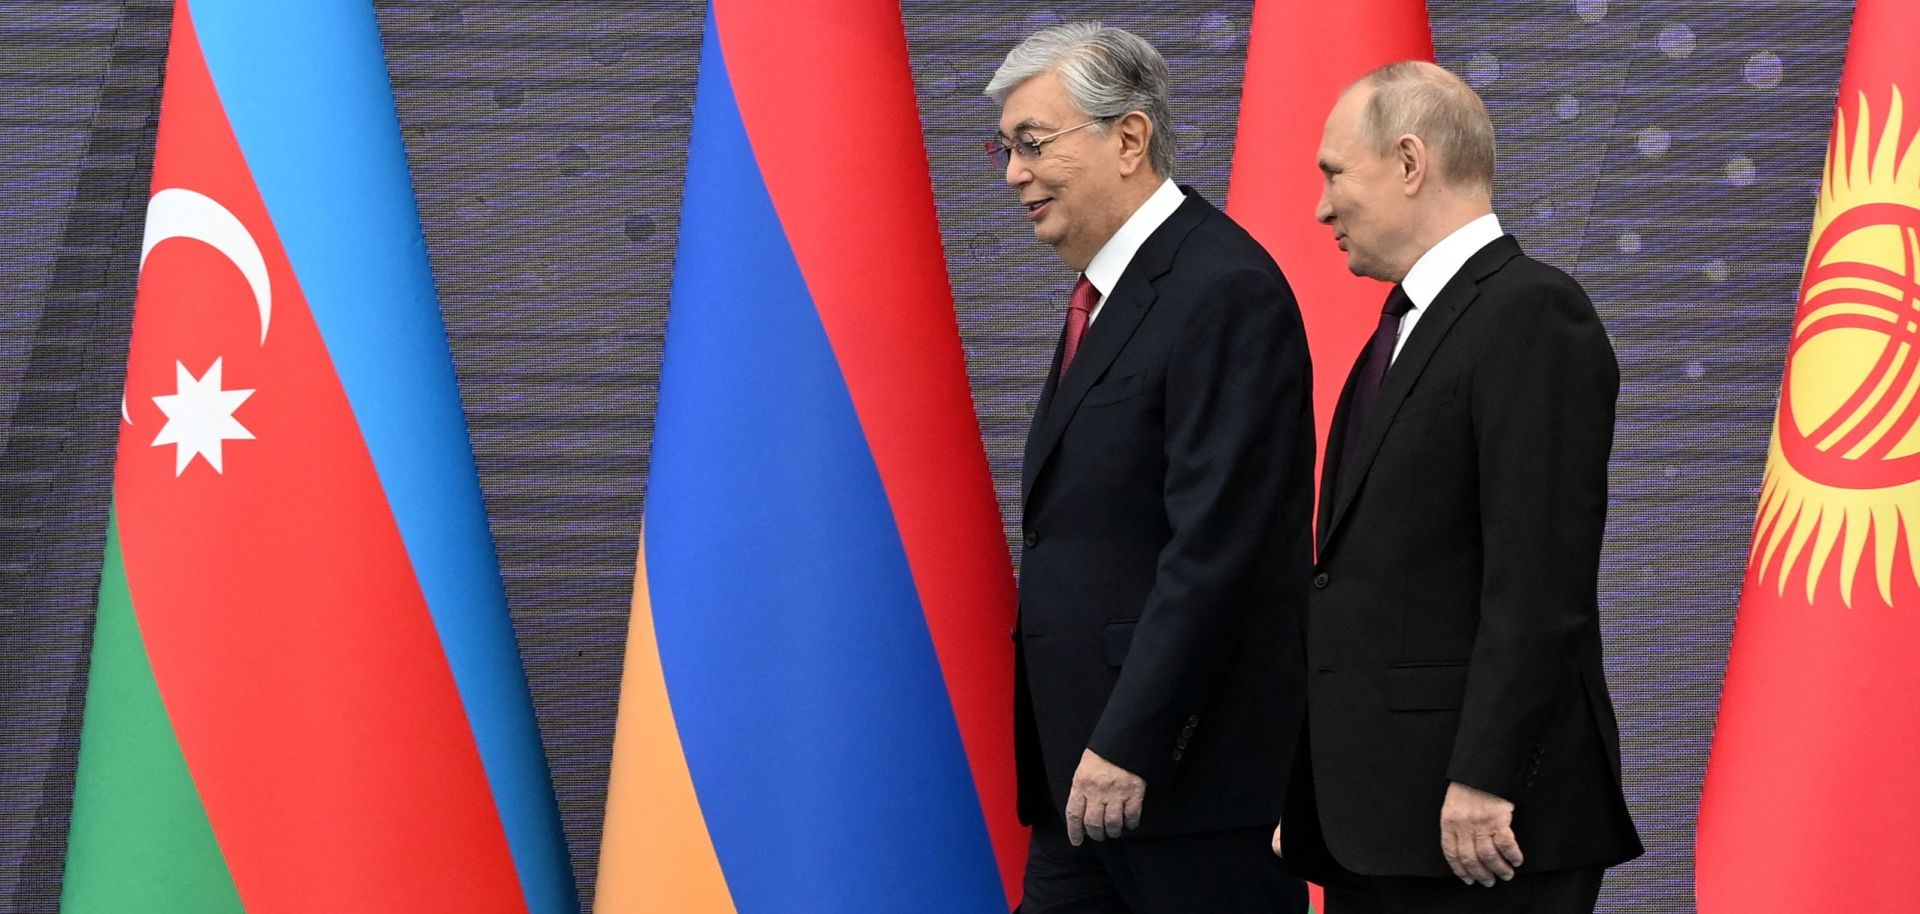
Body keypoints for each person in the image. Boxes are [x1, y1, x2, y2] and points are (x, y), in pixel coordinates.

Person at [1275, 61, 1643, 912]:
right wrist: (1314, 783)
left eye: (1334, 174)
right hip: (1381, 821)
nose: (1323, 208)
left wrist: (1486, 775)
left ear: (1410, 163)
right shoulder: (1401, 330)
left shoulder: (1533, 313)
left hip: (1483, 828)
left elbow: (1539, 579)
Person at [985, 22, 1313, 914]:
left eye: (1033, 143)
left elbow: (1220, 547)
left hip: (1181, 789)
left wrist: (1133, 739)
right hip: (1078, 785)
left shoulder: (1221, 288)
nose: (1012, 174)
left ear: (1128, 139)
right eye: (1005, 148)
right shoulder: (1106, 290)